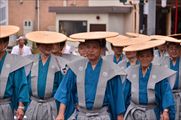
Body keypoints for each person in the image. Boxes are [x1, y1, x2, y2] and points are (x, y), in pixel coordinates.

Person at [55, 31, 126, 120]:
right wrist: (61, 114)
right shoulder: (75, 66)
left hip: (102, 116)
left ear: (101, 49)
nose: (91, 50)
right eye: (88, 47)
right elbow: (65, 90)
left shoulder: (111, 69)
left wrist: (120, 117)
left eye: (94, 47)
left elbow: (117, 97)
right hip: (81, 115)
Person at [123, 40, 176, 120]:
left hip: (151, 112)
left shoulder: (159, 72)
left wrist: (165, 111)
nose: (145, 59)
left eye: (148, 56)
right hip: (133, 111)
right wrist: (120, 112)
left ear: (152, 57)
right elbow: (124, 94)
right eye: (142, 56)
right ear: (138, 57)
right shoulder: (131, 71)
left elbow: (166, 92)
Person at [24, 31, 67, 120]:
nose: (48, 47)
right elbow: (25, 85)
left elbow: (62, 89)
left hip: (51, 105)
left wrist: (61, 112)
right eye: (44, 44)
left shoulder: (59, 63)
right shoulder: (30, 61)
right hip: (33, 104)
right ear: (38, 45)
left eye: (50, 44)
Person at [0, 25, 32, 120]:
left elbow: (22, 85)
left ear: (5, 44)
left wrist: (21, 106)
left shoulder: (14, 62)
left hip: (5, 106)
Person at [157, 36, 181, 120]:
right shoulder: (162, 61)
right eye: (171, 48)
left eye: (176, 48)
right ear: (167, 50)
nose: (174, 51)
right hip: (166, 95)